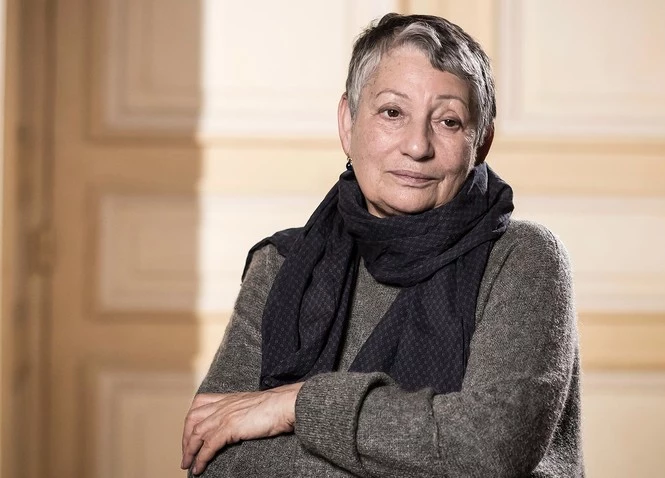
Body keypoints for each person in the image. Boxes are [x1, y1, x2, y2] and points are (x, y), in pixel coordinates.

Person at [181, 13, 583, 477]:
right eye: (393, 113)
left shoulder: (523, 258)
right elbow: (214, 454)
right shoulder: (281, 266)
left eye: (448, 121)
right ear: (348, 123)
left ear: (482, 142)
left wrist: (298, 404)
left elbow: (487, 450)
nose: (417, 146)